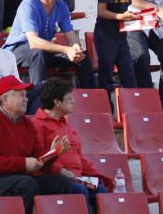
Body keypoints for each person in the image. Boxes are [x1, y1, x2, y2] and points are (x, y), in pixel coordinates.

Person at [0, 76, 76, 214]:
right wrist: (23, 164)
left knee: (61, 183)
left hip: (20, 178)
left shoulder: (27, 124)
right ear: (5, 99)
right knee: (27, 184)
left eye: (26, 95)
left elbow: (37, 157)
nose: (26, 99)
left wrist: (53, 153)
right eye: (21, 95)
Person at [2, 0, 96, 88]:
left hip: (43, 50)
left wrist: (76, 49)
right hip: (17, 50)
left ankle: (90, 100)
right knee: (38, 53)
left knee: (82, 56)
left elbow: (71, 36)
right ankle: (40, 101)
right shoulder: (29, 4)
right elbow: (34, 42)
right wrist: (66, 50)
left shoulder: (61, 6)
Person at [34, 78, 111, 214]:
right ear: (57, 102)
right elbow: (37, 158)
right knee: (80, 191)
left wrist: (96, 175)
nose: (74, 102)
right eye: (69, 99)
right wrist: (61, 170)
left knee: (101, 189)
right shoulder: (38, 125)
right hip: (57, 178)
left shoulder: (66, 124)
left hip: (78, 177)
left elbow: (80, 156)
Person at [92, 0, 139, 98]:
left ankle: (132, 110)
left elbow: (127, 9)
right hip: (105, 36)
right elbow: (101, 12)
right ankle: (106, 111)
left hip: (121, 37)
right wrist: (121, 17)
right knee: (106, 76)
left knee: (129, 76)